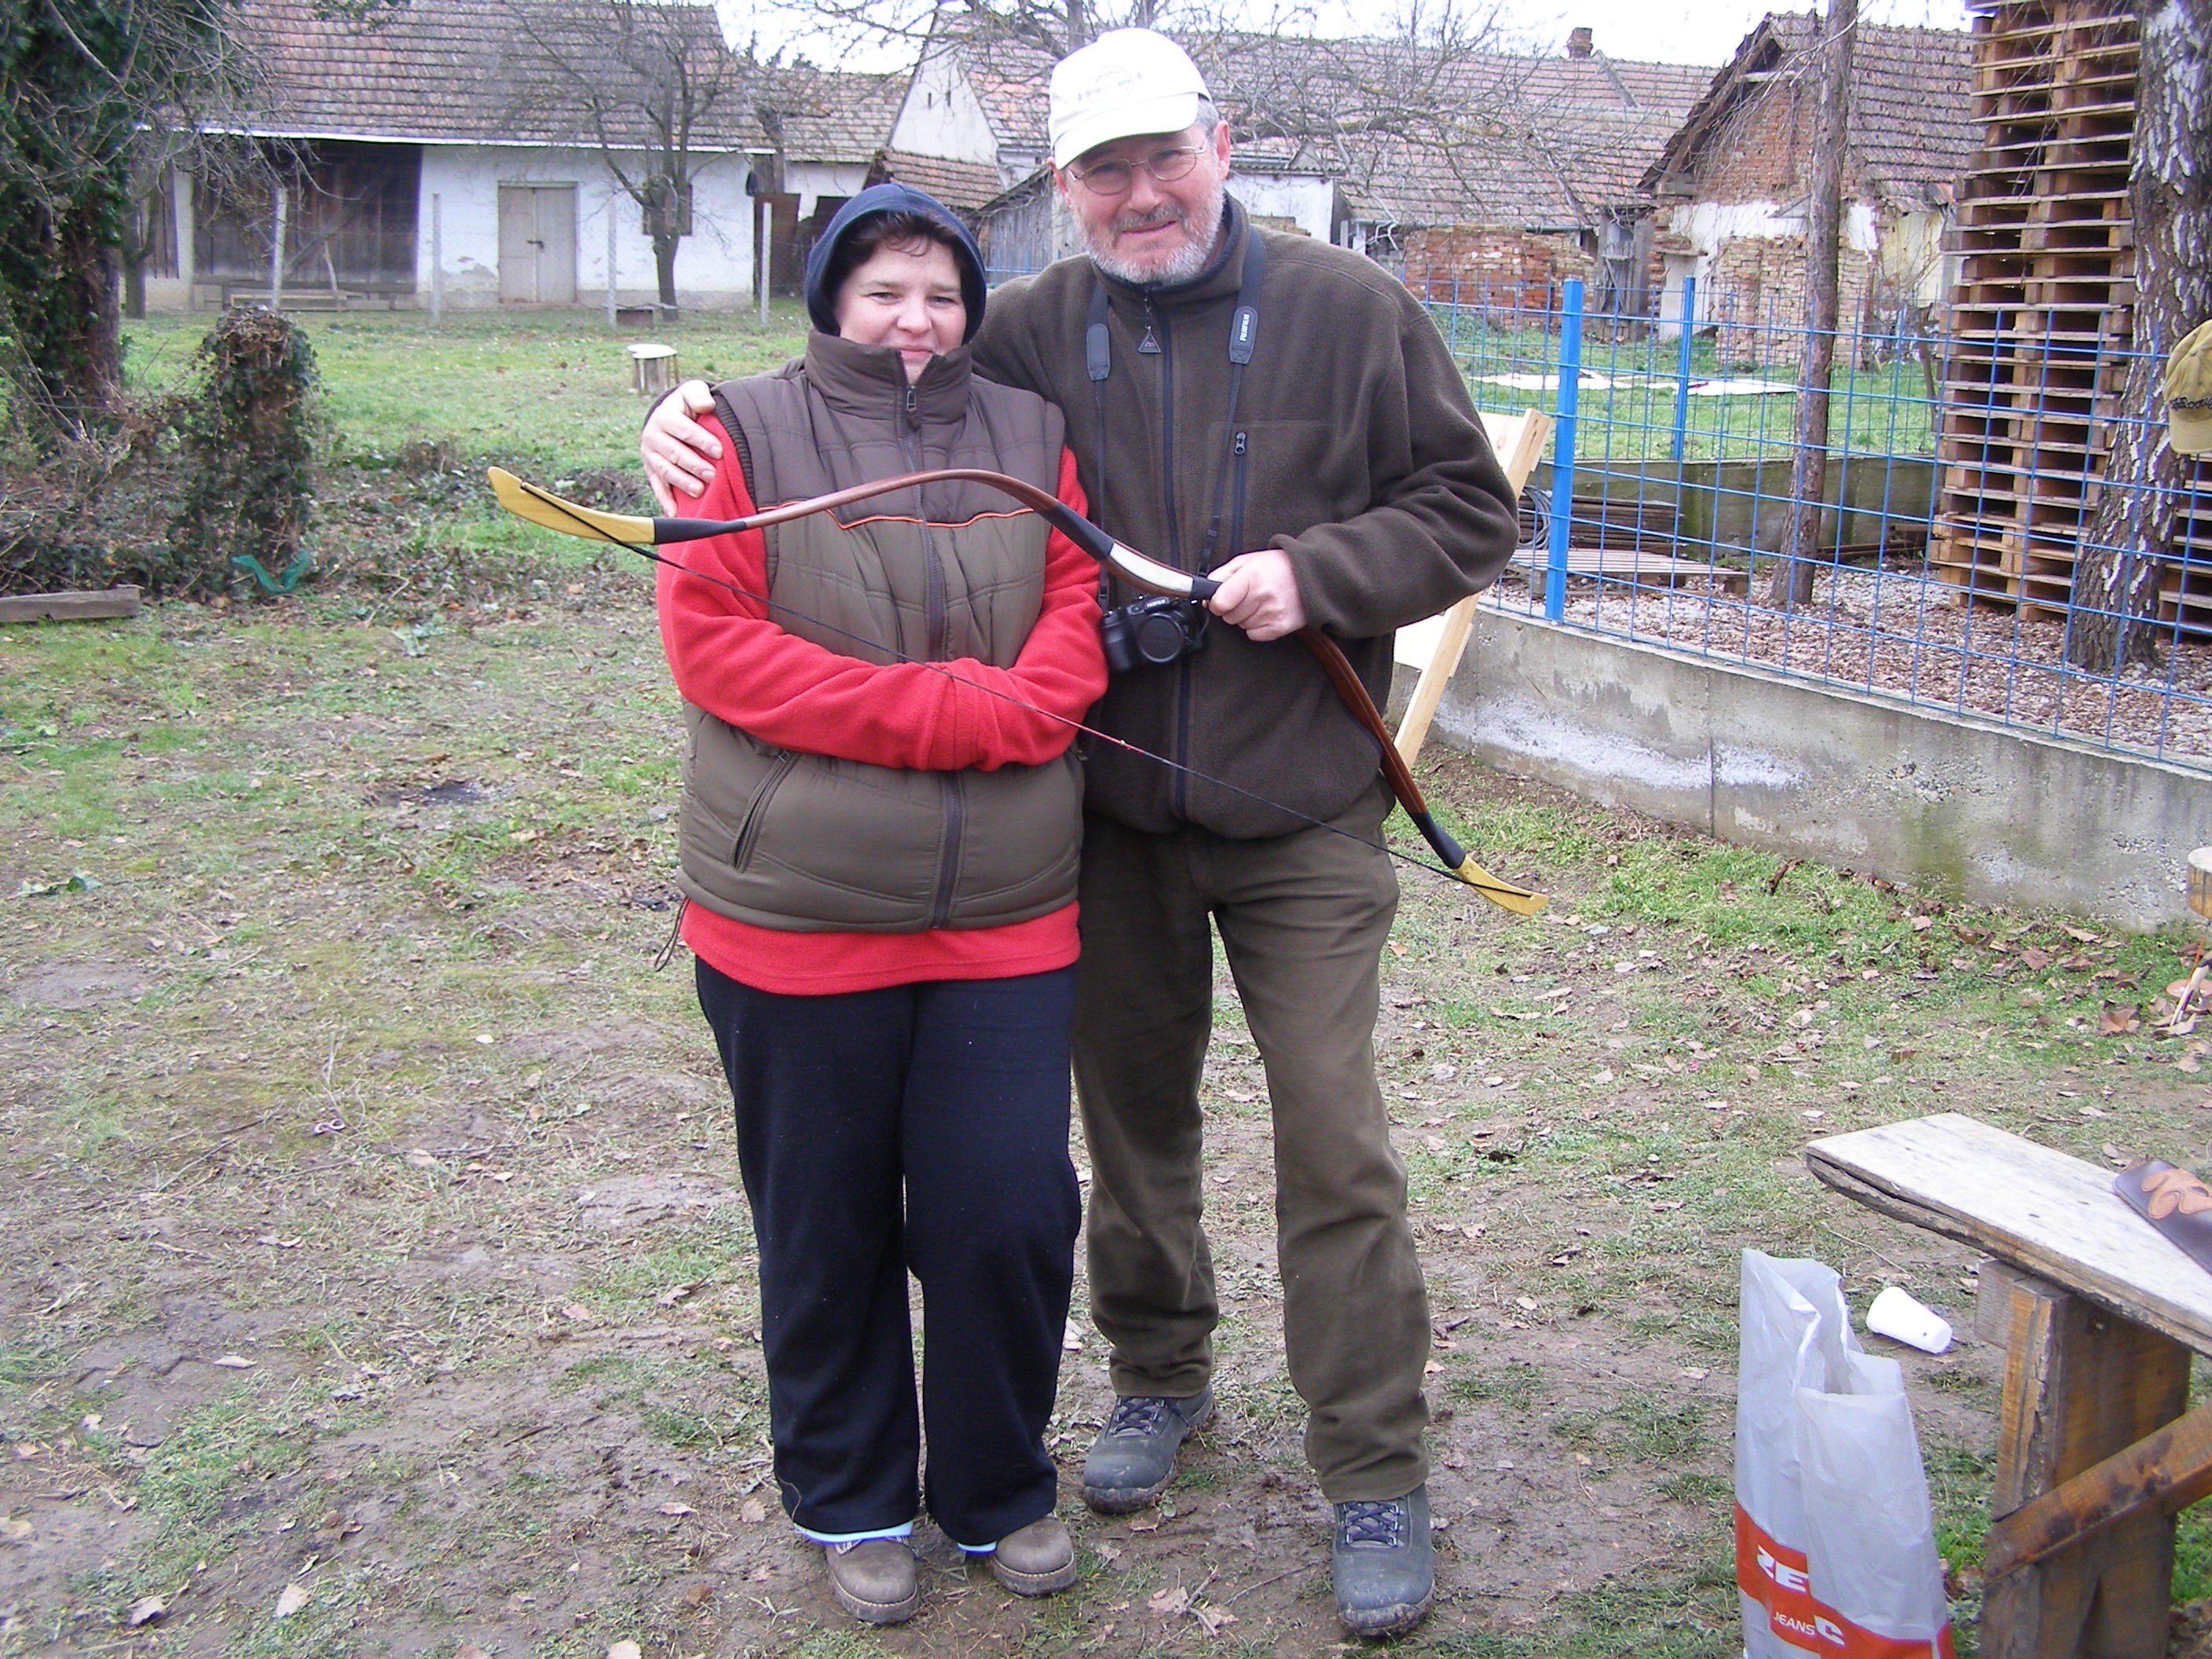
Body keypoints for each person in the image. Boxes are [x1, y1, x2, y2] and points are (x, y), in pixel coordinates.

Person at [643, 35, 1522, 1639]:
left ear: (1220, 144)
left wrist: (1319, 574)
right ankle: (1159, 1375)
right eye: (1102, 171)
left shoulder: (1352, 310)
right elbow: (862, 379)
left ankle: (1373, 1466)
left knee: (1334, 1136)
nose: (1139, 195)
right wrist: (682, 422)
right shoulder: (1029, 326)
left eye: (1162, 157)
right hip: (1101, 823)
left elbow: (1472, 511)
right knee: (1130, 1135)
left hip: (1302, 812)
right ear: (1063, 187)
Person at [653, 182, 1108, 1627]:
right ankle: (850, 1496)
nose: (916, 321)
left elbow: (1075, 618)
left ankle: (997, 1485)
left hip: (1007, 913)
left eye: (942, 294)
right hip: (797, 916)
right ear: (831, 302)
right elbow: (717, 644)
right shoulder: (734, 432)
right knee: (826, 1225)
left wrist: (1020, 704)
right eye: (883, 292)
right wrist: (951, 713)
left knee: (1007, 1212)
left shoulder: (1029, 433)